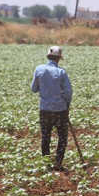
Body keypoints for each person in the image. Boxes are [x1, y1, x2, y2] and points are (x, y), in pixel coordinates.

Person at [31, 45, 73, 173]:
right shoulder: (61, 72)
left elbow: (34, 89)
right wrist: (67, 105)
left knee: (46, 135)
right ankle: (58, 163)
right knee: (62, 136)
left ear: (48, 56)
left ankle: (46, 163)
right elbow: (68, 92)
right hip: (60, 110)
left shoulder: (39, 69)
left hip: (45, 109)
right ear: (59, 58)